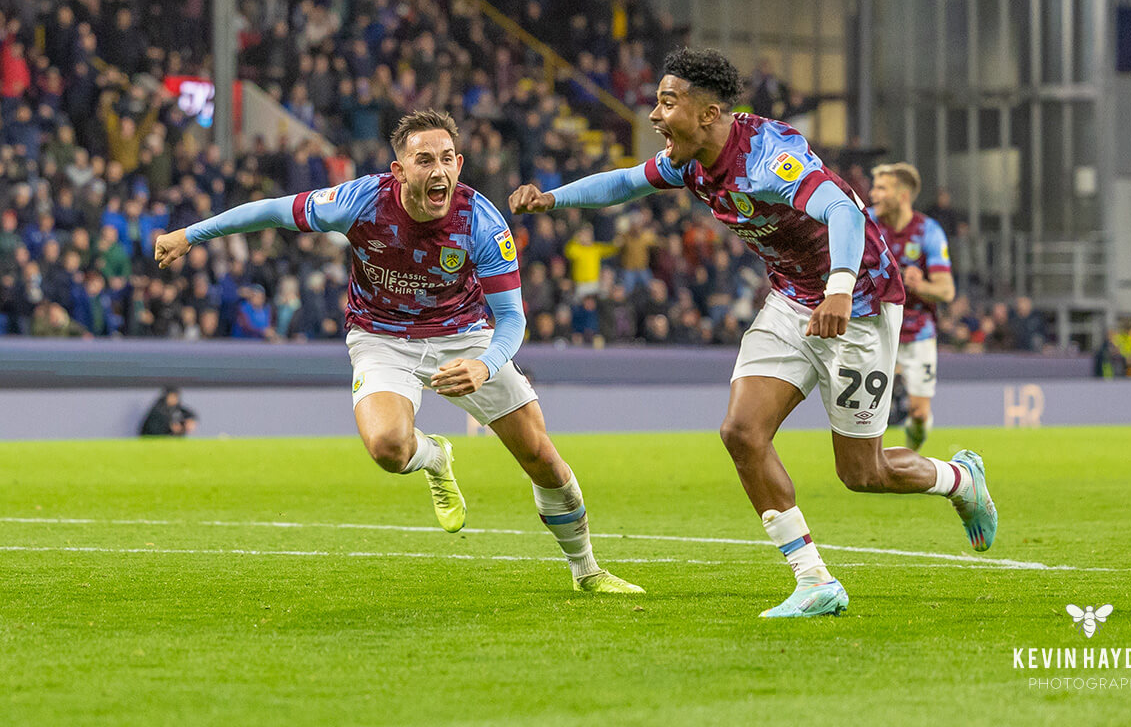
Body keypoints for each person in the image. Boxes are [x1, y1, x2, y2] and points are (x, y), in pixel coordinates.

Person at [510, 48, 997, 618]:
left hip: (859, 304)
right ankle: (814, 580)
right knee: (742, 431)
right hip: (792, 302)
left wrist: (840, 288)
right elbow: (624, 183)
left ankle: (960, 479)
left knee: (862, 473)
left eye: (668, 102)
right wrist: (553, 197)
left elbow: (842, 211)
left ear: (709, 112)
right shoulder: (688, 161)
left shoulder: (768, 157)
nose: (655, 116)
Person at [156, 111, 640, 595]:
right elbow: (271, 211)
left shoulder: (481, 221)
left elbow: (512, 318)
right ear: (399, 170)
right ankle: (435, 459)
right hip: (381, 336)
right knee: (388, 447)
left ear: (460, 164)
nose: (439, 171)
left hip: (464, 335)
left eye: (448, 160)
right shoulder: (359, 202)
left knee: (540, 455)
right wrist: (189, 234)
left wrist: (484, 363)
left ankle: (587, 571)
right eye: (424, 159)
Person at [868, 163, 955, 451]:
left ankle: (911, 451)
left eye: (882, 188)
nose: (873, 193)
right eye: (874, 186)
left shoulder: (928, 231)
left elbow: (946, 290)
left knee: (918, 415)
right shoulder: (865, 222)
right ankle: (870, 464)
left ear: (903, 195)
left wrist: (918, 286)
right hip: (876, 327)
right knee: (867, 409)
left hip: (918, 330)